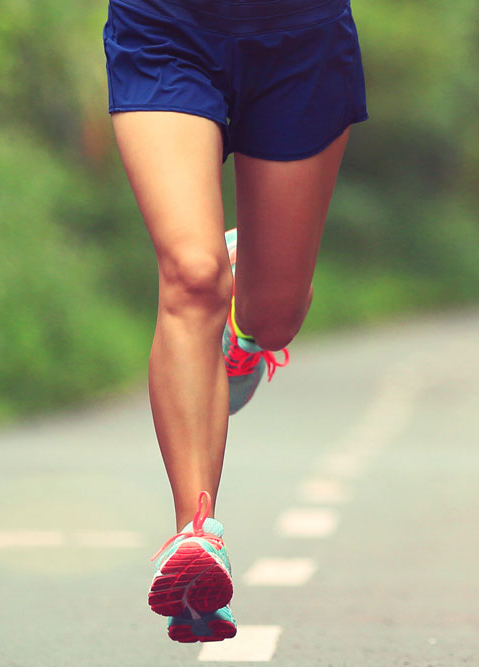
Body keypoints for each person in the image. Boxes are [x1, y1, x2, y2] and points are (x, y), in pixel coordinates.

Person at [101, 0, 368, 642]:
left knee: (274, 315)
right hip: (164, 25)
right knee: (192, 275)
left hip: (305, 38)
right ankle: (197, 536)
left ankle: (244, 335)